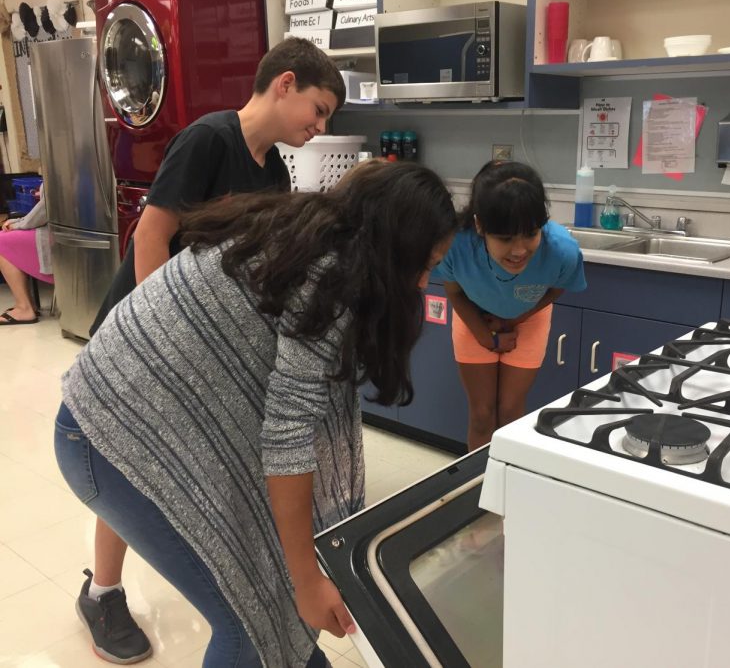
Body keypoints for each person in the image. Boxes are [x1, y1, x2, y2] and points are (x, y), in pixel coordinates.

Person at [55, 160, 458, 667]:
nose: (423, 284)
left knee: (277, 602)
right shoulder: (331, 281)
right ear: (392, 248)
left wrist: (303, 578)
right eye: (422, 265)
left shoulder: (311, 230)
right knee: (251, 623)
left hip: (140, 420)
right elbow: (287, 438)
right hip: (104, 439)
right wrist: (308, 580)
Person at [77, 37, 347, 664]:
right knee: (130, 457)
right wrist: (159, 344)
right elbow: (151, 235)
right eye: (320, 108)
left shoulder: (272, 170)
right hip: (143, 337)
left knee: (166, 464)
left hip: (196, 347)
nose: (320, 125)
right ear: (284, 83)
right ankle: (104, 592)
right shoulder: (208, 139)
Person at [432, 161, 586, 452]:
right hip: (473, 316)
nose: (519, 251)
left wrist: (515, 319)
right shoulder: (457, 245)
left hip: (529, 319)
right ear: (480, 225)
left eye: (530, 235)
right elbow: (453, 291)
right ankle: (478, 485)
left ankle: (506, 488)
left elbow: (557, 287)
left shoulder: (562, 251)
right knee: (481, 415)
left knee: (511, 414)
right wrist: (484, 335)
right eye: (504, 239)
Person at [0, 186, 51, 325]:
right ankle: (28, 305)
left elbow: (46, 209)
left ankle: (24, 307)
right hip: (64, 231)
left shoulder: (60, 168)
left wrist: (19, 223)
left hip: (54, 236)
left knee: (1, 242)